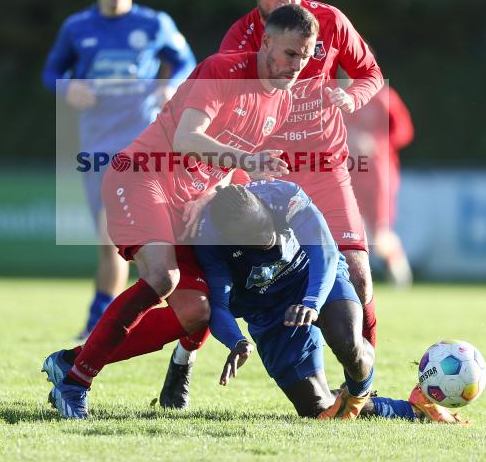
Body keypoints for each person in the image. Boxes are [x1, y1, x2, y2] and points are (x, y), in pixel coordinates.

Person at [42, 4, 320, 419]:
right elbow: (188, 139)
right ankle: (76, 383)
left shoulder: (280, 99)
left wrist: (213, 193)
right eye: (289, 53)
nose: (297, 65)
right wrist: (246, 161)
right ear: (265, 43)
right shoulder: (221, 71)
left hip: (188, 201)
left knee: (199, 312)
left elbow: (224, 166)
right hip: (139, 177)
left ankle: (71, 360)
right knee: (162, 277)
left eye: (306, 55)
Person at [213, 0, 383, 351]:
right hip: (265, 172)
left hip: (325, 167)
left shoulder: (329, 21)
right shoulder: (240, 38)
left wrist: (352, 98)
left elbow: (370, 73)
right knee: (224, 278)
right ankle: (184, 358)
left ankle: (363, 382)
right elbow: (219, 107)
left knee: (358, 274)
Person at [196, 181, 466, 423]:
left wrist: (312, 303)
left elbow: (324, 251)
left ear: (264, 207)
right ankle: (411, 409)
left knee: (348, 342)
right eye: (254, 238)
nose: (269, 241)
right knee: (318, 409)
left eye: (265, 226)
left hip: (312, 275)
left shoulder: (284, 196)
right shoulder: (210, 242)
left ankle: (358, 392)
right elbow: (218, 305)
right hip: (267, 310)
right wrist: (237, 342)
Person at [42, 0, 197, 340]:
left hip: (143, 145)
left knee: (117, 233)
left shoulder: (153, 24)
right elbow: (51, 72)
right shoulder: (77, 28)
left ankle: (104, 322)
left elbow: (186, 61)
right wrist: (68, 87)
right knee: (111, 240)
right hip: (97, 146)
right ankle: (122, 319)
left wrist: (171, 87)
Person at [346, 85, 415, 287]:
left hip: (379, 173)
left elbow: (404, 131)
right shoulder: (342, 98)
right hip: (350, 173)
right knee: (348, 227)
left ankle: (400, 276)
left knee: (380, 232)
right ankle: (350, 280)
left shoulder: (383, 97)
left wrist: (376, 142)